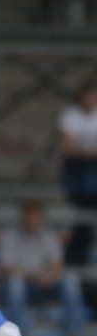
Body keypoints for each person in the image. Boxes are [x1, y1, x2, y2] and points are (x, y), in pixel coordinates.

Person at [0, 200, 88, 336]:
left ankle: (74, 332)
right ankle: (21, 333)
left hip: (47, 284)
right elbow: (7, 267)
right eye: (30, 217)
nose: (33, 221)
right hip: (25, 285)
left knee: (70, 279)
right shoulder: (11, 236)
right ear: (24, 217)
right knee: (15, 283)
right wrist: (33, 277)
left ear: (42, 218)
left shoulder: (48, 235)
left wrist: (50, 277)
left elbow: (58, 264)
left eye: (37, 217)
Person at [58, 80, 97, 266]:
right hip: (77, 168)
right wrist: (89, 152)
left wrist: (83, 151)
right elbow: (69, 148)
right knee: (84, 212)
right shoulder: (71, 115)